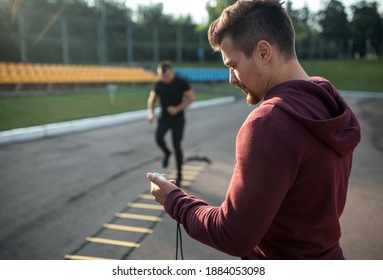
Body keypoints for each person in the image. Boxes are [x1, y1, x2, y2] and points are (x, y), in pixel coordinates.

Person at [147, 0, 361, 260]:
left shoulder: (268, 123)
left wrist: (175, 201)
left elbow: (232, 235)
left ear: (263, 52)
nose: (231, 79)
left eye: (233, 65)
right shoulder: (326, 97)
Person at [147, 61, 195, 187]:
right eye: (161, 76)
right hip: (164, 117)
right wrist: (151, 114)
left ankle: (179, 174)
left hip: (178, 118)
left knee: (177, 145)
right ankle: (167, 153)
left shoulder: (180, 82)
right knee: (158, 137)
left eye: (166, 75)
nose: (164, 78)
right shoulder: (158, 84)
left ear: (171, 72)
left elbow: (190, 98)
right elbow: (152, 100)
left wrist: (177, 109)